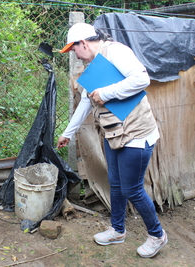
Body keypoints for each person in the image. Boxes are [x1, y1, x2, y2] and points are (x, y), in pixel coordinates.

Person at [57, 23, 167, 258]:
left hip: (137, 134)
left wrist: (106, 93)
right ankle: (118, 230)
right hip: (114, 133)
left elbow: (141, 79)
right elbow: (86, 102)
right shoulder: (93, 67)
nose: (74, 55)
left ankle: (157, 235)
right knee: (115, 184)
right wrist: (68, 132)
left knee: (133, 189)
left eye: (74, 49)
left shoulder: (115, 51)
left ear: (84, 43)